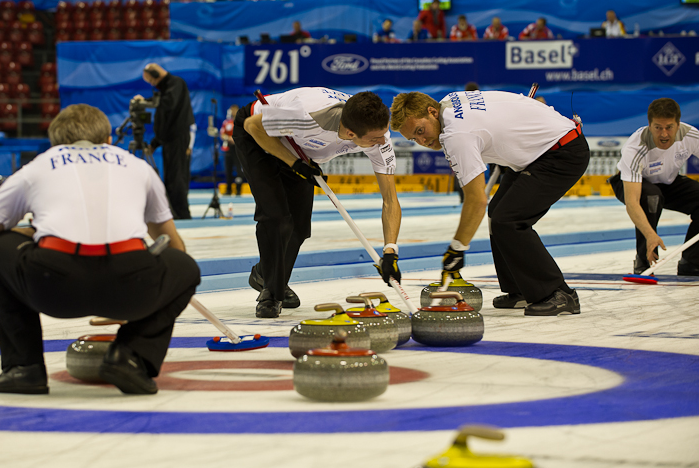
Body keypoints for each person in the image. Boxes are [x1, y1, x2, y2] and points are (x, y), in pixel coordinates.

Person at [0, 104, 202, 395]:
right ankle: (132, 356)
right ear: (109, 139)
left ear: (55, 142)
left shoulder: (36, 167)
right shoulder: (139, 166)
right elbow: (174, 246)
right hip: (131, 285)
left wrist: (35, 232)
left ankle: (24, 367)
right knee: (185, 267)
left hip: (54, 287)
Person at [390, 90, 589, 316]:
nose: (422, 141)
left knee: (508, 219)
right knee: (498, 214)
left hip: (562, 152)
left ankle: (559, 293)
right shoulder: (449, 100)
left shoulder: (456, 133)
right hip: (538, 152)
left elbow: (476, 200)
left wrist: (457, 249)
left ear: (432, 112)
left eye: (420, 131)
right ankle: (523, 289)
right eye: (414, 139)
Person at [234, 88, 402, 318]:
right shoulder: (308, 117)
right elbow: (253, 126)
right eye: (375, 139)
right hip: (257, 133)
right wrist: (294, 163)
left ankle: (265, 274)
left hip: (299, 148)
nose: (382, 142)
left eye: (384, 134)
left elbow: (390, 198)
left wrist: (390, 250)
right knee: (276, 216)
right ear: (351, 133)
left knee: (300, 226)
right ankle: (272, 293)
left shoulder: (378, 137)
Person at [607, 98, 699, 276]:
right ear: (649, 126)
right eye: (658, 127)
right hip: (631, 184)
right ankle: (643, 260)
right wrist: (650, 235)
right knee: (651, 197)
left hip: (668, 181)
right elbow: (632, 202)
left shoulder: (690, 136)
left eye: (669, 127)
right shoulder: (635, 147)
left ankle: (692, 261)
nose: (664, 134)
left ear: (678, 125)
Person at [141, 63, 195, 220]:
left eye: (151, 80)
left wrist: (145, 102)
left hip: (178, 138)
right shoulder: (166, 90)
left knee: (177, 177)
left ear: (156, 74)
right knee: (172, 177)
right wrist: (155, 142)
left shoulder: (176, 84)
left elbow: (167, 106)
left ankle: (182, 213)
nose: (152, 84)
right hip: (170, 139)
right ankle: (175, 212)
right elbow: (165, 122)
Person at [220, 104, 245, 195]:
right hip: (228, 148)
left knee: (239, 169)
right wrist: (228, 138)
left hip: (238, 148)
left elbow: (244, 134)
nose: (233, 112)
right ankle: (229, 189)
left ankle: (238, 190)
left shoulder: (241, 122)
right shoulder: (226, 123)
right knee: (228, 169)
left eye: (235, 110)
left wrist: (236, 139)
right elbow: (222, 134)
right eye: (232, 110)